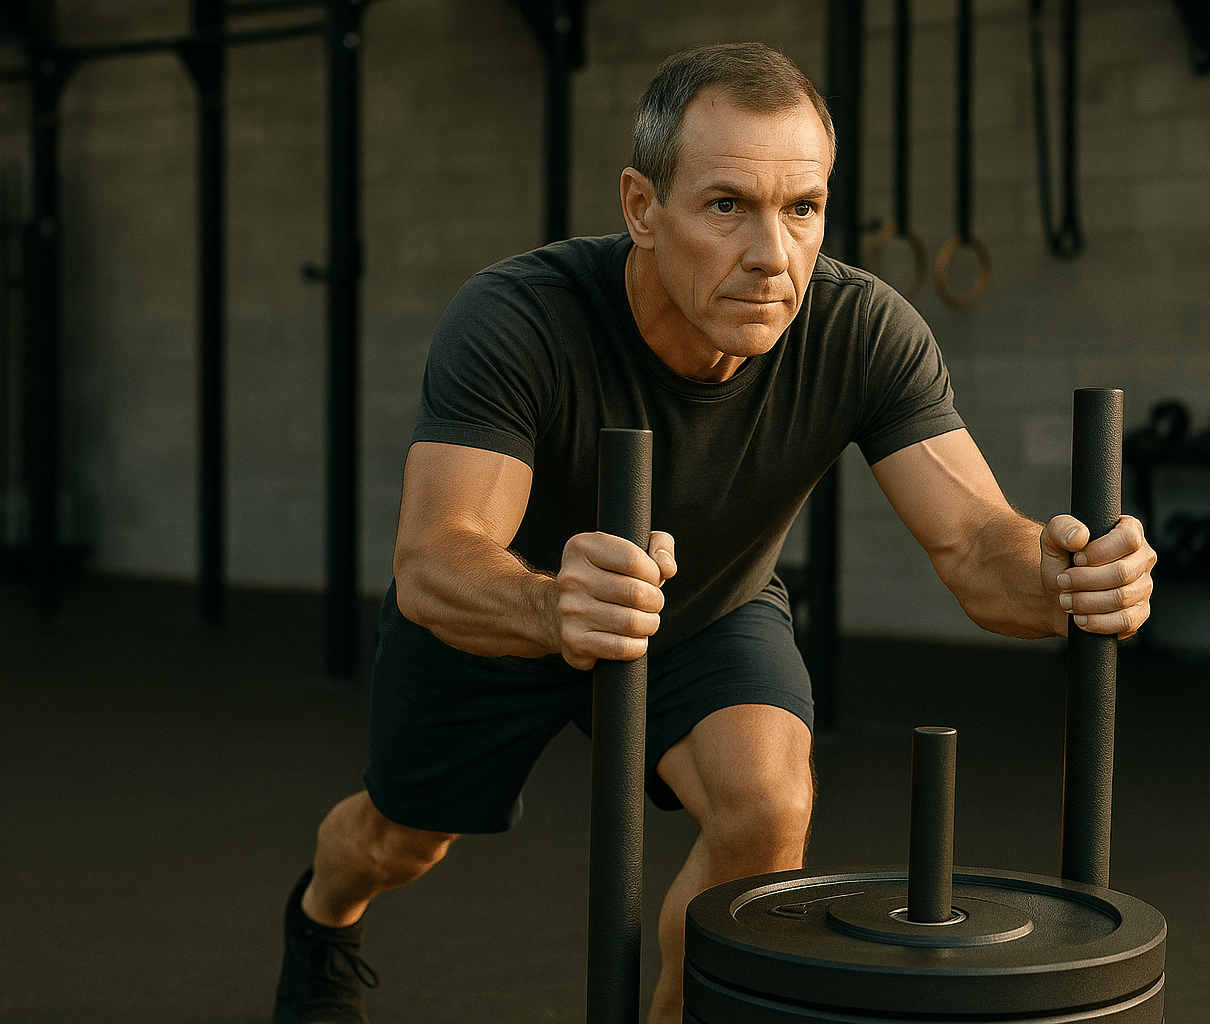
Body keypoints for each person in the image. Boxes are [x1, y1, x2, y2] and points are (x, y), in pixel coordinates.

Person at [272, 40, 1155, 1024]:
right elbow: (435, 560)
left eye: (803, 208)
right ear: (643, 209)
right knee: (398, 842)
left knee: (767, 804)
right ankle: (321, 922)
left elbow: (977, 547)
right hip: (507, 613)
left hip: (701, 616)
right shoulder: (518, 318)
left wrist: (1064, 572)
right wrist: (554, 601)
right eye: (727, 205)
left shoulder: (861, 330)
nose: (773, 254)